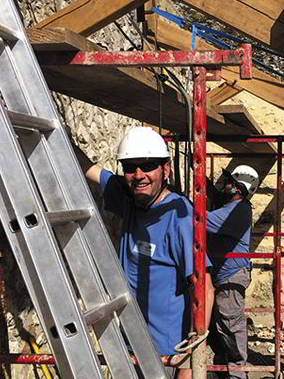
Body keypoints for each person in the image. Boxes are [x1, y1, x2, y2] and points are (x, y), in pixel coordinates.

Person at [75, 126, 214, 379]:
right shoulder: (130, 198)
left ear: (166, 170)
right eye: (130, 167)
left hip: (166, 355)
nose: (139, 175)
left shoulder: (179, 216)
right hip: (130, 344)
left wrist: (190, 362)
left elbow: (204, 287)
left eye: (148, 166)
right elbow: (88, 167)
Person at [206, 165, 258, 379]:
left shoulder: (238, 210)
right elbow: (217, 197)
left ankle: (238, 373)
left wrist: (180, 205)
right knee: (219, 325)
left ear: (238, 187)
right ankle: (223, 368)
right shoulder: (232, 206)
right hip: (224, 274)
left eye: (229, 182)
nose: (224, 185)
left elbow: (204, 221)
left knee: (230, 324)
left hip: (231, 275)